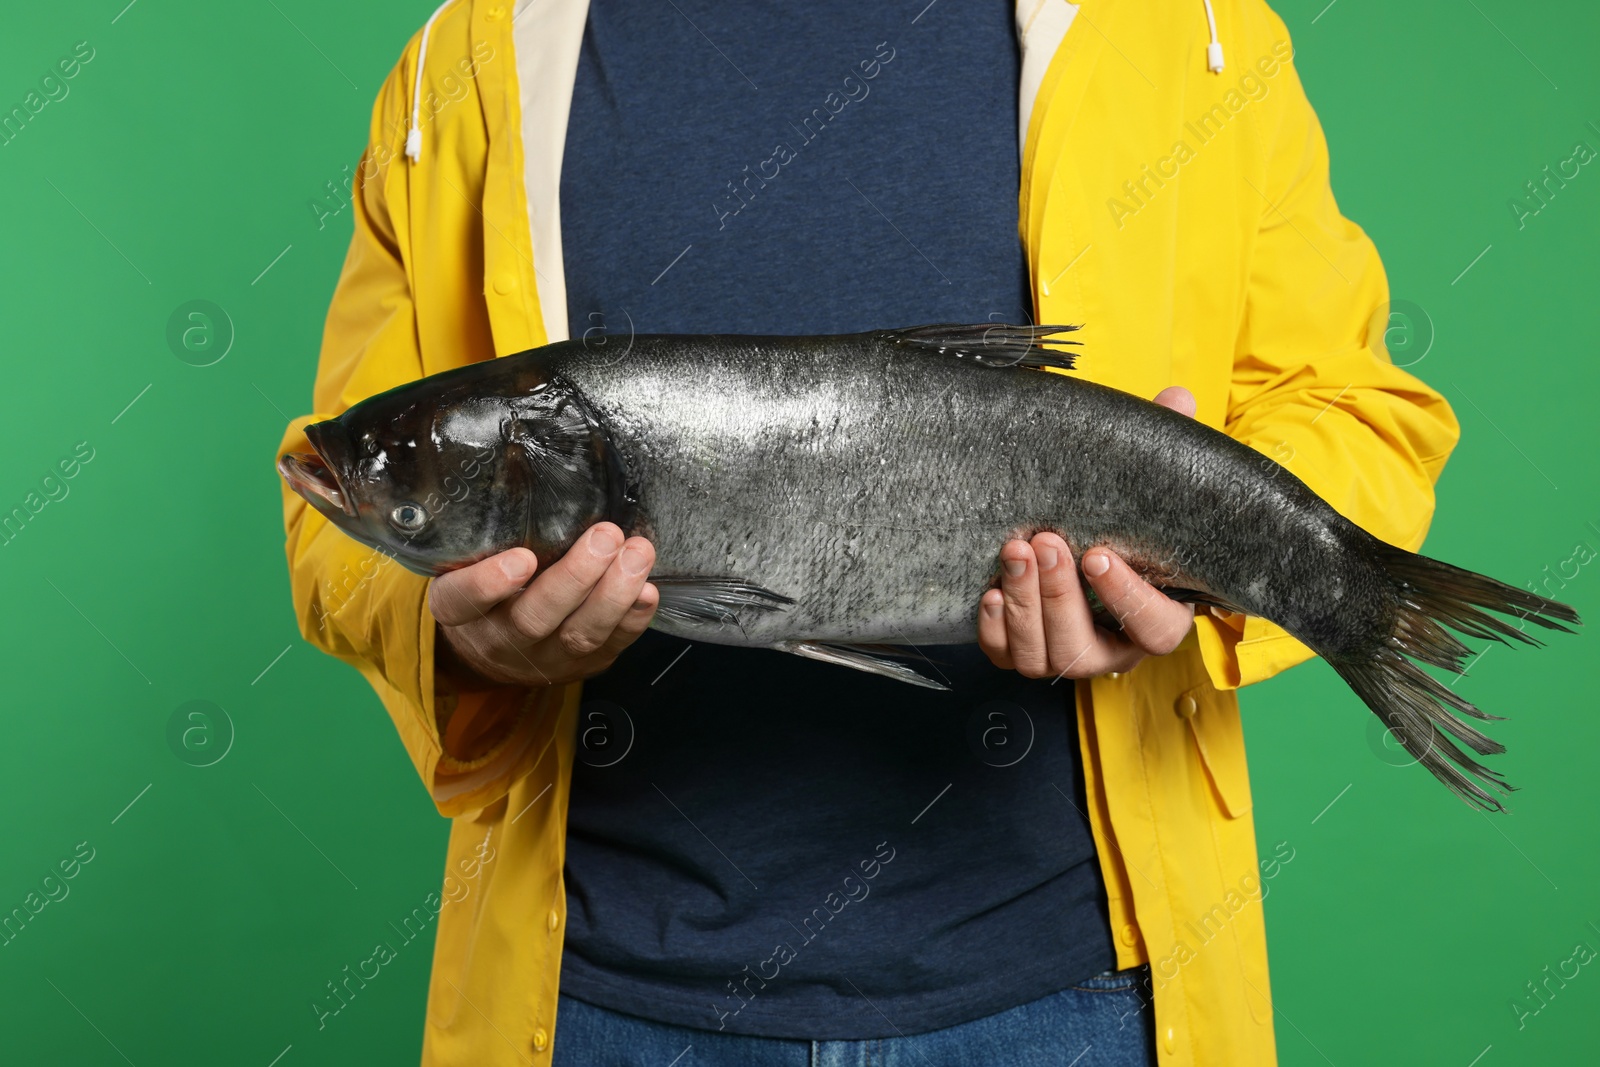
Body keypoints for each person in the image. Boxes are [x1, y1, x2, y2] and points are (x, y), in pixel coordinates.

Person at [276, 1, 1458, 1064]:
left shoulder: (1187, 29)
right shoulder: (462, 61)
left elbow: (1356, 412)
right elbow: (334, 522)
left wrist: (1193, 570)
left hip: (1076, 1000)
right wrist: (466, 643)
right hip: (597, 1002)